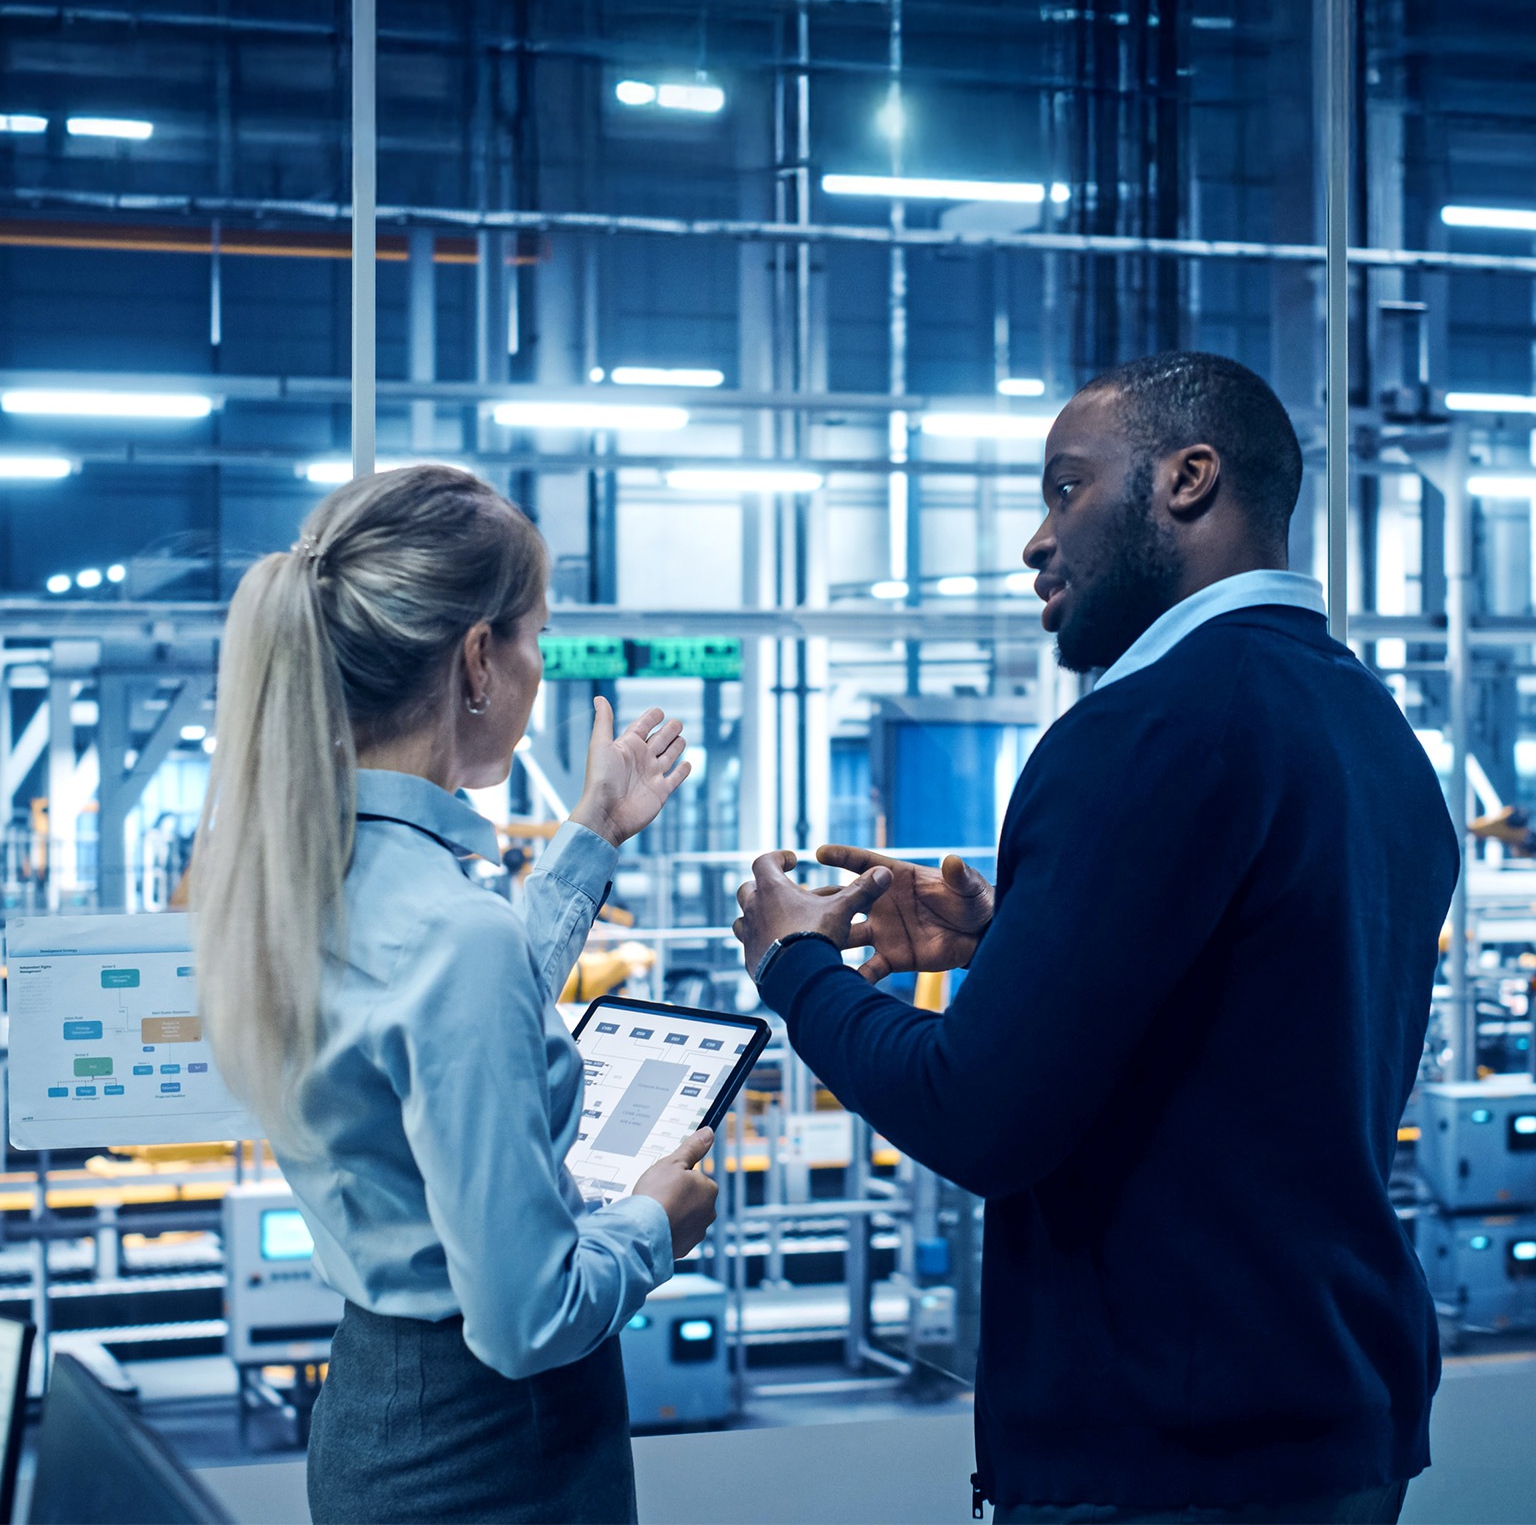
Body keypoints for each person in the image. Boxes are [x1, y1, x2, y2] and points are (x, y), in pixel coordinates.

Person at [735, 352, 1459, 1525]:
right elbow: (1250, 1010)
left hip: (1171, 1453)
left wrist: (796, 968)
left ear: (1187, 478)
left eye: (1065, 488)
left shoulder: (1141, 729)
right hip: (1334, 1420)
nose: (1036, 539)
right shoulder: (1368, 727)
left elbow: (978, 1115)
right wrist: (1023, 938)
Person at [192, 466, 717, 1525]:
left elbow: (453, 1005)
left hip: (373, 1416)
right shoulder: (451, 930)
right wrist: (655, 1224)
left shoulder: (294, 877)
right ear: (479, 659)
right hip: (495, 1452)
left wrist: (590, 838)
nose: (538, 670)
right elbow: (530, 1318)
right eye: (535, 638)